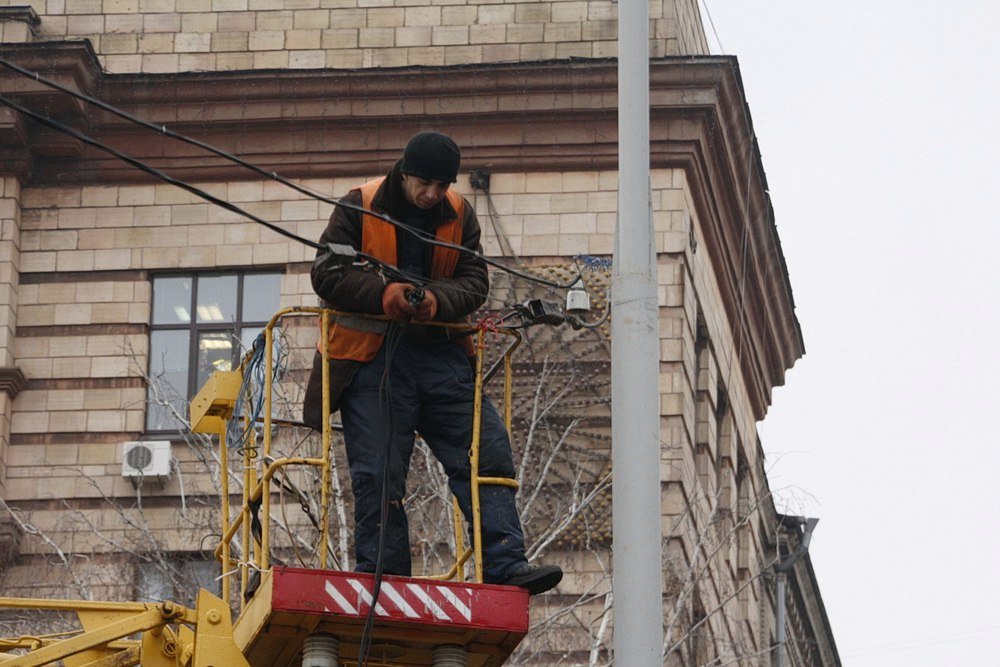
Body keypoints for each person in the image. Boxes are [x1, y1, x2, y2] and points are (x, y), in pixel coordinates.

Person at [303, 131, 562, 595]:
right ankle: (385, 578)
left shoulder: (460, 213)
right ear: (404, 173)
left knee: (487, 451)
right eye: (425, 183)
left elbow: (474, 279)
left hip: (441, 354)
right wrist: (384, 294)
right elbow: (327, 273)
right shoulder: (357, 204)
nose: (433, 195)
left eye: (442, 186)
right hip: (372, 361)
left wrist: (435, 302)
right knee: (379, 472)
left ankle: (505, 563)